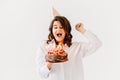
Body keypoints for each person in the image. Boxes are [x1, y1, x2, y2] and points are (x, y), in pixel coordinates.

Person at [36, 8, 102, 80]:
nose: (58, 30)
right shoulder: (44, 47)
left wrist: (82, 30)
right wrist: (50, 63)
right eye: (55, 27)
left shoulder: (77, 48)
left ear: (66, 31)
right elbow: (42, 74)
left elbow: (97, 44)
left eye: (61, 27)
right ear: (52, 30)